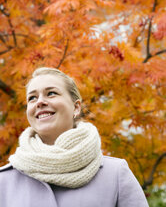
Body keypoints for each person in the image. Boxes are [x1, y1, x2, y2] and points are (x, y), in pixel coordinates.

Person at [0, 67, 149, 207]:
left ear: (76, 107)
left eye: (51, 93)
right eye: (32, 98)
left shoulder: (115, 174)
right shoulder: (4, 181)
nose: (39, 102)